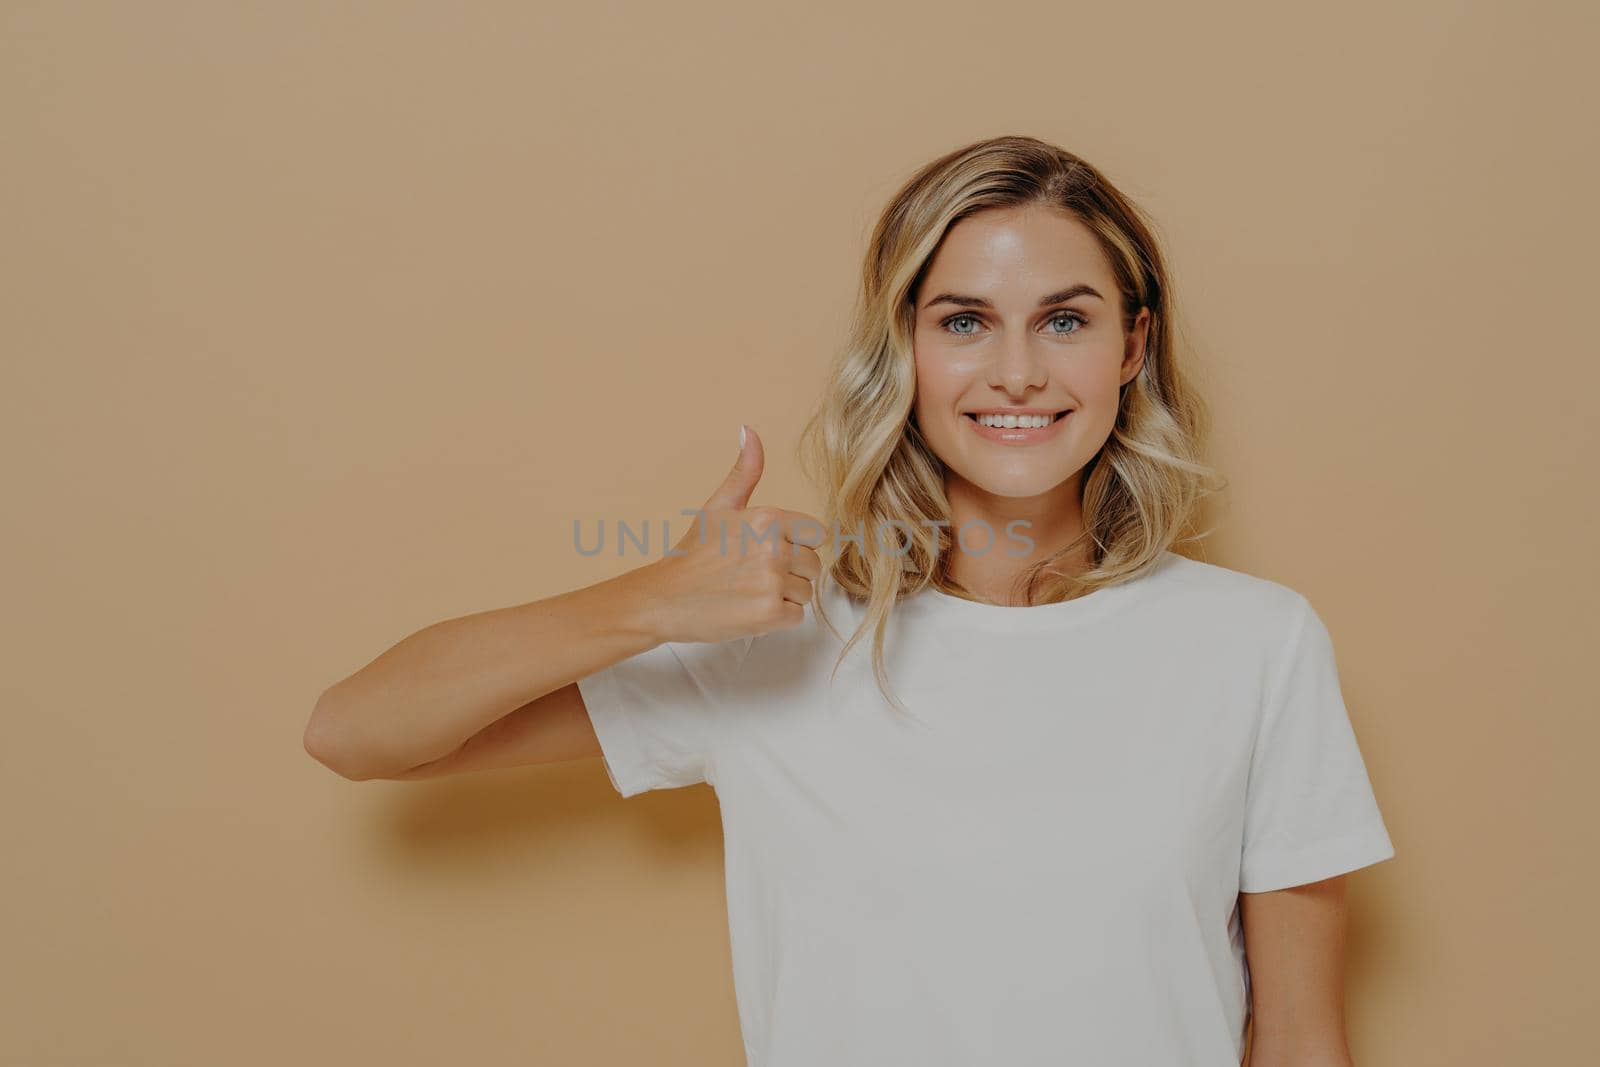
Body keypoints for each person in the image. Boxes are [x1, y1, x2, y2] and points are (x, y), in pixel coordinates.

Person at [304, 134, 1397, 1066]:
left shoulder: (1254, 643)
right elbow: (357, 731)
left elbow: (1301, 1040)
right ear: (904, 349)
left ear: (1131, 346)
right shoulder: (775, 630)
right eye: (963, 321)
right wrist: (650, 599)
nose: (1016, 370)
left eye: (1064, 320)